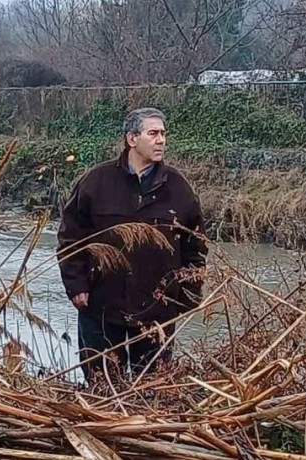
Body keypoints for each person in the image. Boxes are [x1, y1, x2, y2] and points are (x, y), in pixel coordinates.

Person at [56, 107, 208, 384]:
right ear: (132, 139)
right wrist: (76, 285)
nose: (161, 140)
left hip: (157, 308)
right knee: (102, 382)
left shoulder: (178, 188)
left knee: (152, 384)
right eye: (153, 133)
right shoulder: (96, 182)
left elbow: (195, 246)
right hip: (101, 303)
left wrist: (187, 295)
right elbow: (70, 237)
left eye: (163, 134)